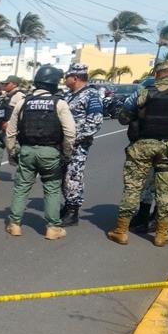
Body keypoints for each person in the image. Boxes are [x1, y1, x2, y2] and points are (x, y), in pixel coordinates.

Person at [107, 59, 168, 246]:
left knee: (133, 187)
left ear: (157, 74)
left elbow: (123, 118)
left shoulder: (142, 93)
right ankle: (161, 235)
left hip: (142, 146)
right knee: (164, 191)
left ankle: (121, 231)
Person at [5, 65, 76, 240]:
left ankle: (14, 224)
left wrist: (12, 152)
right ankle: (53, 228)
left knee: (21, 187)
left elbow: (10, 132)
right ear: (53, 84)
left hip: (27, 151)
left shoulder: (22, 102)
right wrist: (66, 153)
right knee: (51, 189)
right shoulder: (59, 103)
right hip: (51, 152)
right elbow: (70, 133)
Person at [60, 63, 104, 226]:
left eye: (67, 77)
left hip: (78, 145)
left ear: (76, 78)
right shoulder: (69, 95)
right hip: (64, 144)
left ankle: (73, 211)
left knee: (73, 176)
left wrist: (73, 139)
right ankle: (67, 204)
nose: (65, 80)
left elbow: (95, 123)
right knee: (63, 176)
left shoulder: (91, 95)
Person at [0, 75, 26, 184]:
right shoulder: (5, 95)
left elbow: (22, 113)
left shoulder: (20, 96)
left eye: (6, 84)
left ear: (14, 84)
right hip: (0, 130)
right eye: (3, 84)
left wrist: (10, 124)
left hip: (12, 131)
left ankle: (25, 175)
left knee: (16, 154)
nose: (4, 85)